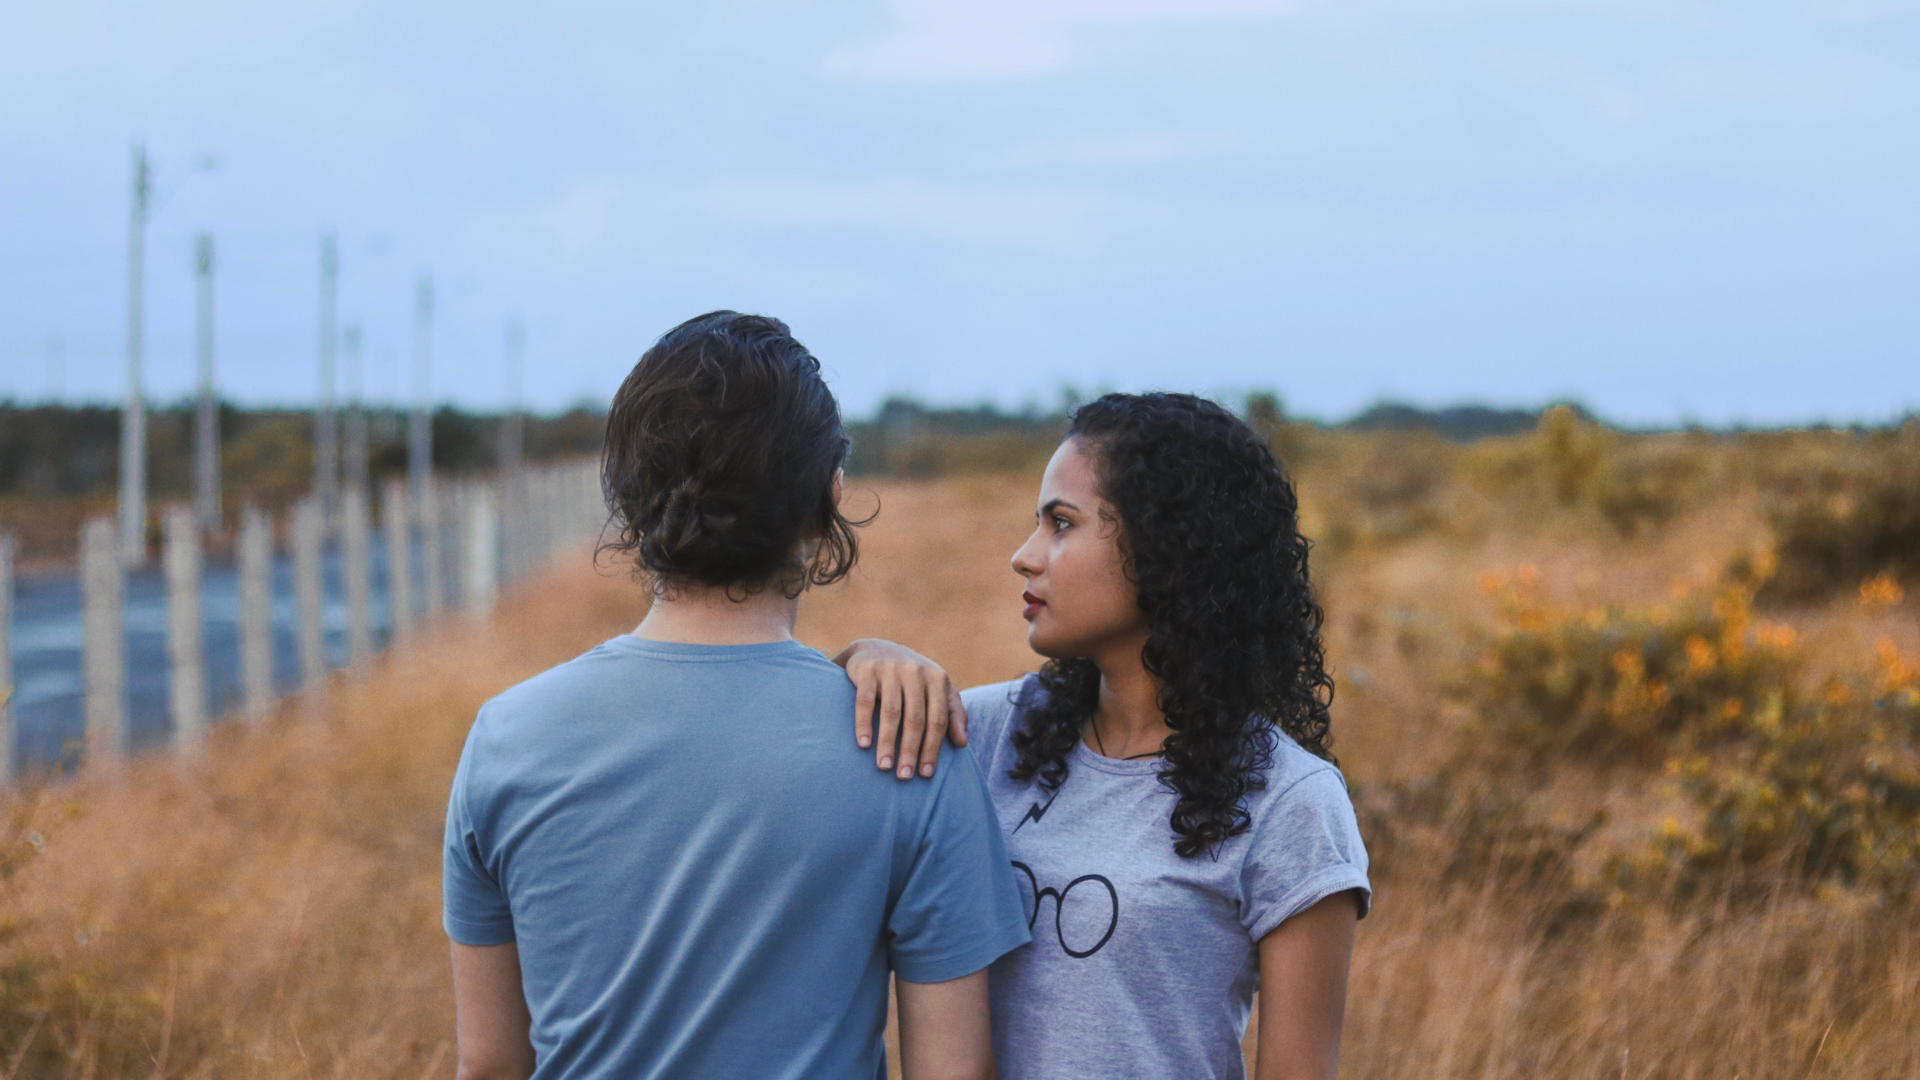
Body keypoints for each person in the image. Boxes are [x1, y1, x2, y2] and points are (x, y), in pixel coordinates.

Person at [443, 311, 1030, 1080]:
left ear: (626, 495)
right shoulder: (907, 749)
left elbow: (489, 1066)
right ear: (828, 499)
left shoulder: (505, 738)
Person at [838, 392, 1370, 1080]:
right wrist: (863, 654)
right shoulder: (985, 734)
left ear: (1169, 546)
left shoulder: (1291, 801)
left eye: (1062, 523)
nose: (1024, 557)